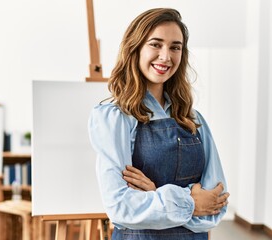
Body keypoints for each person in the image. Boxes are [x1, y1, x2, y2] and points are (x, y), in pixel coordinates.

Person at [88, 8, 230, 240]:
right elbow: (121, 206)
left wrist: (154, 194)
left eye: (175, 47)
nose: (166, 56)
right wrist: (191, 203)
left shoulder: (194, 120)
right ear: (135, 48)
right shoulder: (115, 117)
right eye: (156, 44)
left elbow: (216, 205)